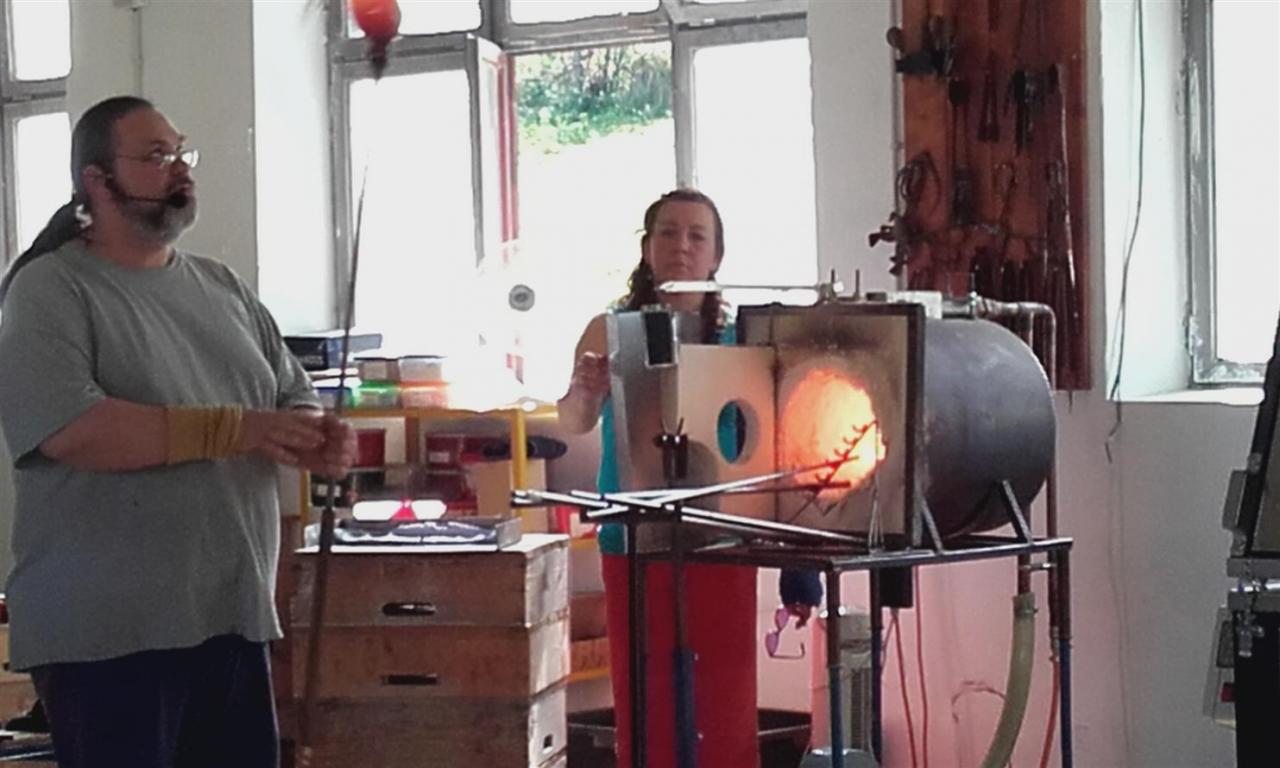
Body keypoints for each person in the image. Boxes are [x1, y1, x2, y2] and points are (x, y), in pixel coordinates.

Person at [0, 95, 356, 768]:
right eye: (156, 156)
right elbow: (76, 431)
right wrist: (242, 429)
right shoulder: (49, 290)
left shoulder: (221, 287)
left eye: (181, 152)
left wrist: (316, 435)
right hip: (109, 636)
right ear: (97, 180)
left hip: (230, 619)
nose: (179, 168)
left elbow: (291, 396)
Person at [559, 188, 822, 768]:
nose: (682, 246)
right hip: (633, 540)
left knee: (724, 708)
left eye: (697, 236)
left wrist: (793, 553)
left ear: (716, 255)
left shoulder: (741, 338)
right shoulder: (608, 330)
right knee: (648, 707)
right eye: (668, 233)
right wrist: (584, 390)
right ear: (647, 247)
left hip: (722, 540)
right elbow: (573, 421)